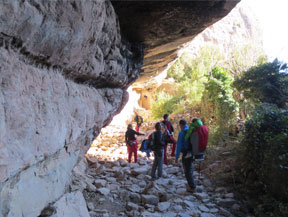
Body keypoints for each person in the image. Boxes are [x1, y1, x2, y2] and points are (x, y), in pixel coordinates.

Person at [175, 119, 196, 191]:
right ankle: (191, 184)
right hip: (192, 152)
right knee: (190, 168)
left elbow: (179, 145)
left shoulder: (182, 133)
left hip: (186, 153)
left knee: (187, 170)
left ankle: (192, 187)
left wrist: (176, 157)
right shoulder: (190, 130)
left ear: (181, 125)